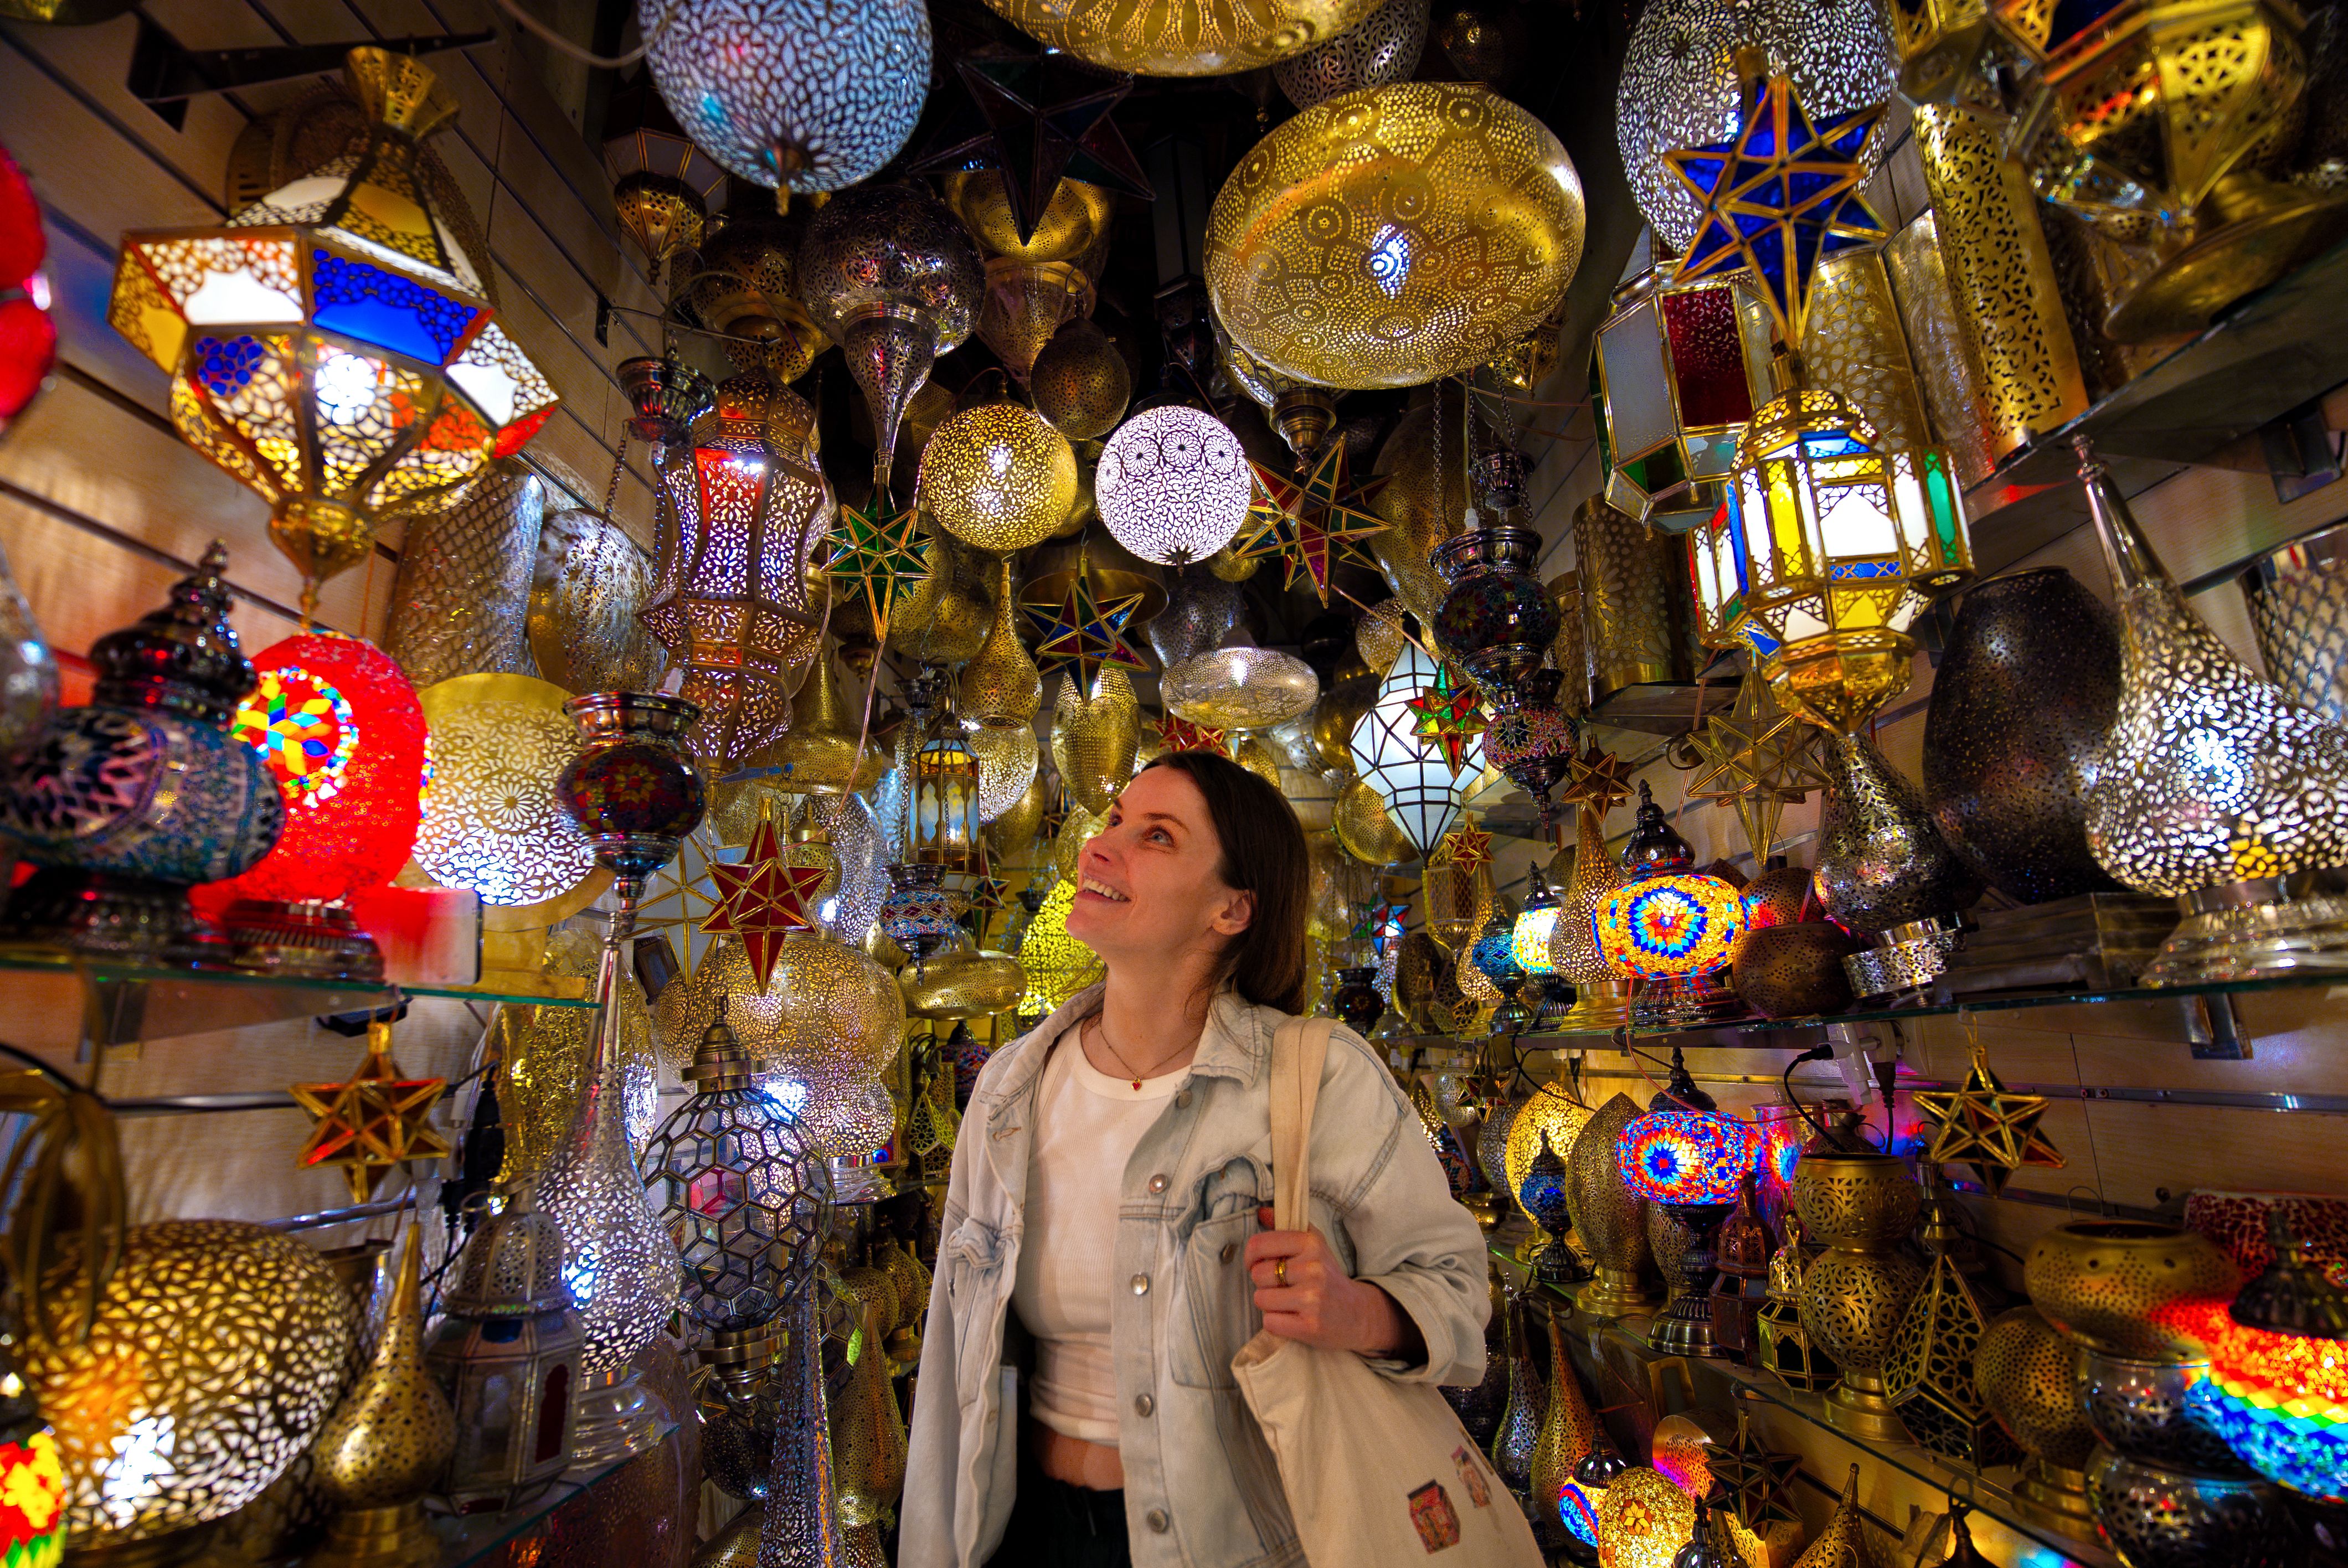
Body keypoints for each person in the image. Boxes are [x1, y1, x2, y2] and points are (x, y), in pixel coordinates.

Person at [901, 750, 1489, 1568]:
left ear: (1232, 910)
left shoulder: (1318, 1075)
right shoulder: (1012, 1088)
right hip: (1026, 1533)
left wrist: (1356, 1311)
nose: (1098, 847)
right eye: (1114, 822)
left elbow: (1459, 1293)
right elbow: (949, 1364)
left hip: (1241, 1540)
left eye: (1158, 837)